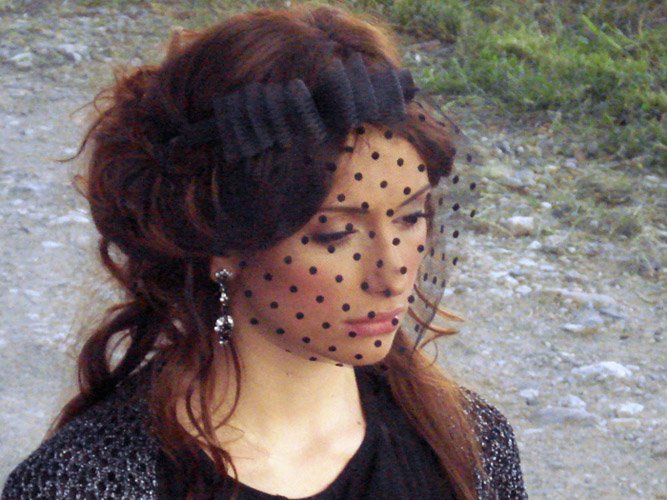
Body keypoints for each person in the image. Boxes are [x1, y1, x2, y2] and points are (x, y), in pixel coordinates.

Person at [1, 4, 527, 499]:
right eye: (335, 235)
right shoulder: (93, 482)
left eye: (410, 217)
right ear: (222, 238)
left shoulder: (468, 445)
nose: (392, 273)